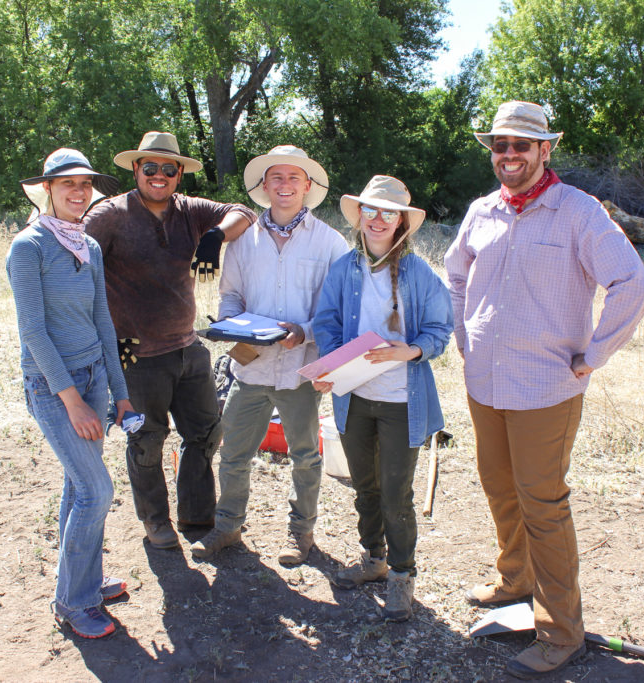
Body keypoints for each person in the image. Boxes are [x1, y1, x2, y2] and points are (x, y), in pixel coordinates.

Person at [444, 101, 644, 679]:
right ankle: (515, 582)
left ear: (545, 150)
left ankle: (562, 632)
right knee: (500, 489)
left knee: (543, 504)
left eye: (521, 145)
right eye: (499, 146)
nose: (508, 155)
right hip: (484, 381)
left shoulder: (579, 213)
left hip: (545, 388)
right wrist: (466, 334)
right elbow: (455, 274)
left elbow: (632, 285)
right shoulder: (482, 211)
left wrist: (595, 353)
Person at [84, 132, 257, 550]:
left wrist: (216, 236)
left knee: (205, 432)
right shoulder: (109, 215)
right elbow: (74, 263)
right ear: (135, 170)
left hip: (187, 348)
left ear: (179, 174)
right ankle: (155, 521)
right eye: (150, 168)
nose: (158, 175)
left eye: (168, 169)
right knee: (147, 441)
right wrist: (101, 341)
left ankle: (197, 514)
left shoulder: (190, 211)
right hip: (136, 356)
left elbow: (243, 211)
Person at [189, 146, 349, 565]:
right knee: (234, 453)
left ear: (308, 186)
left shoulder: (330, 242)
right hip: (251, 367)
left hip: (299, 370)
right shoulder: (243, 241)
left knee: (305, 456)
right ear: (263, 186)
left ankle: (301, 535)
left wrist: (307, 332)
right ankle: (227, 528)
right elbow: (231, 295)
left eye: (293, 178)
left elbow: (337, 310)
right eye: (276, 178)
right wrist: (230, 326)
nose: (285, 185)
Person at [6, 148, 135, 639]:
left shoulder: (88, 245)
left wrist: (118, 394)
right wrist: (72, 400)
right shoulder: (29, 247)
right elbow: (33, 332)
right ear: (48, 190)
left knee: (78, 488)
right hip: (52, 385)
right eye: (67, 185)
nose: (78, 193)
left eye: (85, 185)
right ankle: (73, 602)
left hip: (94, 376)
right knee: (96, 490)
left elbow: (103, 320)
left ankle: (86, 579)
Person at [312, 176, 453, 622]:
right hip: (354, 397)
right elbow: (326, 322)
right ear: (359, 217)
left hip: (401, 402)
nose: (377, 219)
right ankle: (373, 559)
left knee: (396, 493)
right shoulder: (344, 268)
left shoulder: (419, 274)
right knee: (365, 487)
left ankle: (401, 575)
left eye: (387, 212)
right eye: (370, 210)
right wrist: (331, 368)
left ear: (401, 223)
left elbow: (439, 331)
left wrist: (407, 350)